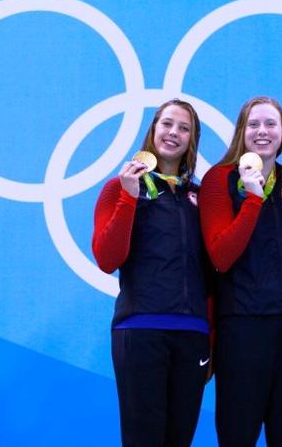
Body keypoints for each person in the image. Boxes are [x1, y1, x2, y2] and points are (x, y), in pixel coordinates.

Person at [92, 99, 212, 446]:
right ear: (153, 129)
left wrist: (212, 337)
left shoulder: (200, 196)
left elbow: (212, 274)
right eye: (167, 124)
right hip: (140, 330)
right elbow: (107, 257)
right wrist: (129, 198)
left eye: (184, 128)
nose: (174, 133)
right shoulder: (120, 186)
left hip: (192, 335)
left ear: (193, 139)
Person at [199, 96, 282, 447]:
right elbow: (220, 255)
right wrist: (252, 198)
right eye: (254, 124)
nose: (262, 131)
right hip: (242, 327)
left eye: (271, 125)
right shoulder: (219, 180)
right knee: (238, 433)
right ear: (241, 133)